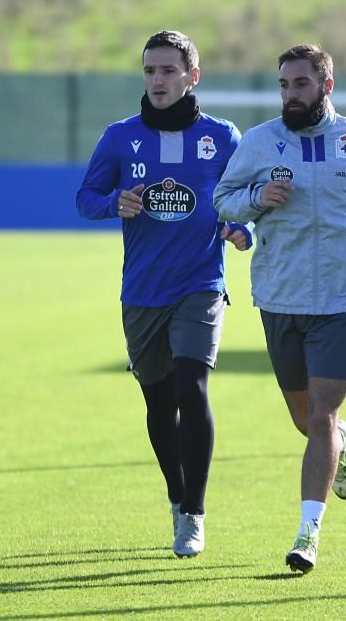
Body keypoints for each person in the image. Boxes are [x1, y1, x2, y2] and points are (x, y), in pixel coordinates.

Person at [213, 44, 346, 574]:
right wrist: (258, 196)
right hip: (280, 298)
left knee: (322, 416)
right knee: (307, 420)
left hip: (343, 297)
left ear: (326, 85)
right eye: (284, 85)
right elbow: (224, 200)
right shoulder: (260, 142)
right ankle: (339, 446)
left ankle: (308, 533)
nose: (290, 94)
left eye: (300, 84)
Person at [76, 30, 252, 558]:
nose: (158, 80)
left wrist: (245, 230)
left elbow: (243, 200)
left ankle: (195, 514)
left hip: (201, 283)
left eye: (169, 70)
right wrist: (115, 204)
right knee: (158, 401)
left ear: (192, 76)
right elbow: (85, 198)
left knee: (192, 389)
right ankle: (177, 499)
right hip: (142, 290)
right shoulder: (119, 136)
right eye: (151, 70)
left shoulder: (222, 137)